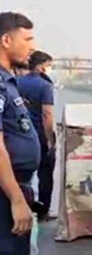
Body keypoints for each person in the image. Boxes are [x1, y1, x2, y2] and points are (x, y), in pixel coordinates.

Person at [0, 12, 39, 255]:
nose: (32, 47)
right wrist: (15, 199)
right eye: (27, 39)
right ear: (6, 40)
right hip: (5, 195)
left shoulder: (9, 80)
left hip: (17, 188)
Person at [18, 50, 56, 221]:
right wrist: (50, 139)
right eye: (49, 65)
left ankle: (20, 207)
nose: (50, 69)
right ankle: (43, 211)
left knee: (22, 175)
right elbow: (47, 115)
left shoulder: (17, 82)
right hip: (39, 135)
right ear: (41, 67)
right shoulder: (44, 86)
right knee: (45, 174)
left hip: (19, 134)